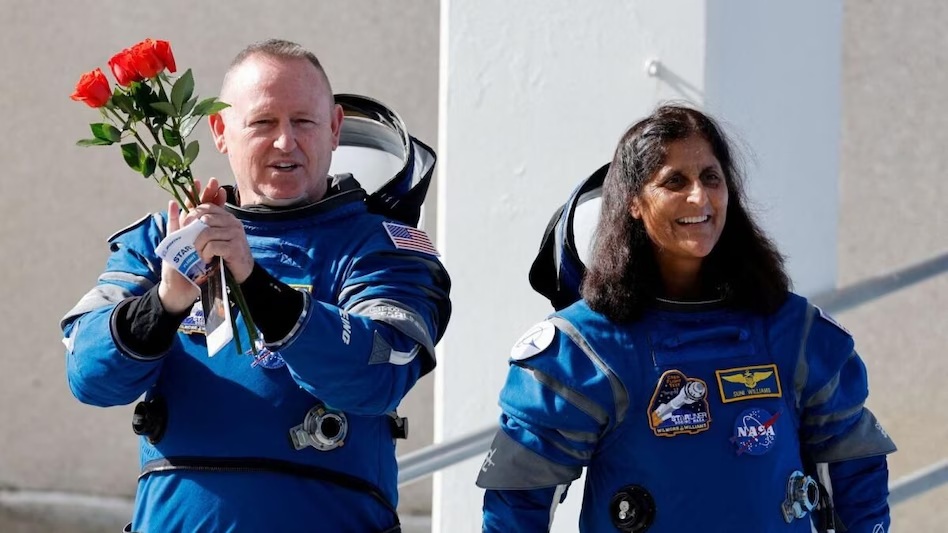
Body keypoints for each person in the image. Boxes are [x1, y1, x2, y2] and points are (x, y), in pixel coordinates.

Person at [61, 39, 451, 533]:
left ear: (334, 128)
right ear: (221, 131)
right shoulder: (163, 238)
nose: (285, 142)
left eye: (303, 122)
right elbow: (88, 374)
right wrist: (165, 303)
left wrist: (255, 281)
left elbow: (376, 373)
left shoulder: (381, 248)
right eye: (263, 123)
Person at [476, 104, 895, 532]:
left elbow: (857, 473)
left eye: (711, 178)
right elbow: (516, 505)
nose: (699, 196)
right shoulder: (585, 349)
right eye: (674, 181)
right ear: (634, 202)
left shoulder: (793, 331)